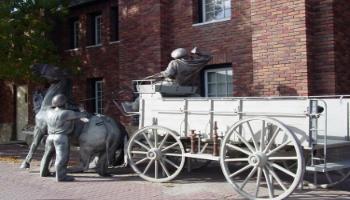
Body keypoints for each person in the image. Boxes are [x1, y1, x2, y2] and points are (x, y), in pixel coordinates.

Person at [121, 47, 212, 112]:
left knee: (146, 89)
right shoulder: (196, 62)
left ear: (177, 57)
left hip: (174, 86)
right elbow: (209, 57)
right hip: (188, 88)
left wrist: (157, 75)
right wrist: (198, 52)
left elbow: (168, 74)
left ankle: (134, 107)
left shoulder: (175, 63)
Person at [40, 94, 89, 182]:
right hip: (61, 137)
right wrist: (81, 109)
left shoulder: (48, 112)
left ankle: (43, 172)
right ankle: (61, 175)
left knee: (47, 155)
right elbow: (84, 115)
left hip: (49, 137)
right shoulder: (67, 113)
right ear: (64, 103)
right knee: (61, 156)